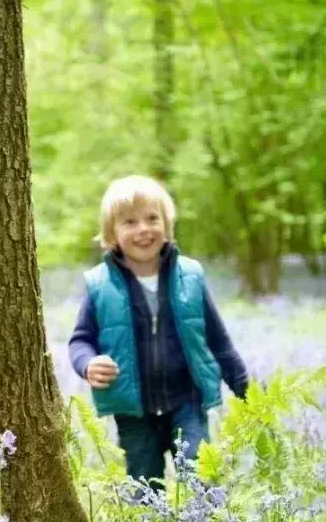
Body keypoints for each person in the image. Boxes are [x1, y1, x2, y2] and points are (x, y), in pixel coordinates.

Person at [68, 175, 248, 494]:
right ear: (112, 234)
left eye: (153, 218)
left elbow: (218, 340)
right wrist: (88, 363)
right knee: (145, 489)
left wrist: (247, 390)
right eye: (130, 222)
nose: (144, 229)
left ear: (167, 224)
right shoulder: (100, 284)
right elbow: (81, 339)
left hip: (187, 400)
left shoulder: (190, 276)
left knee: (200, 476)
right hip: (133, 411)